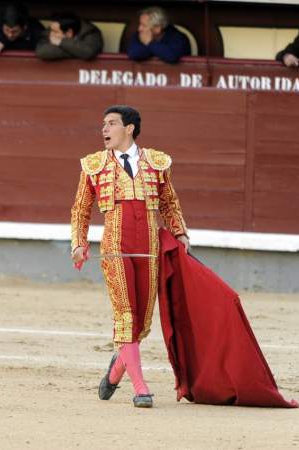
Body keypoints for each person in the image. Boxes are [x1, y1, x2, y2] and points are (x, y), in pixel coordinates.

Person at [70, 105, 189, 408]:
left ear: (130, 129)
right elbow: (81, 209)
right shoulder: (94, 164)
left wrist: (180, 234)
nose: (104, 130)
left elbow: (169, 203)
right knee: (125, 315)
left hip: (149, 248)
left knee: (141, 322)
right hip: (114, 246)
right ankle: (140, 387)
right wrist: (79, 243)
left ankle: (117, 368)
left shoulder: (157, 162)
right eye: (103, 124)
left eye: (111, 124)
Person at [126, 6, 190, 63]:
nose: (139, 28)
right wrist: (157, 50)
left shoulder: (177, 37)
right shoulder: (139, 34)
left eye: (144, 25)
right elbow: (133, 53)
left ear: (157, 28)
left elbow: (172, 56)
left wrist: (150, 43)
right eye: (140, 24)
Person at [35, 12, 103, 61]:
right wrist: (77, 51)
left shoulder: (90, 32)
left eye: (55, 32)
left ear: (69, 33)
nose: (51, 34)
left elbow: (88, 52)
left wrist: (61, 42)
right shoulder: (55, 27)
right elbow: (42, 51)